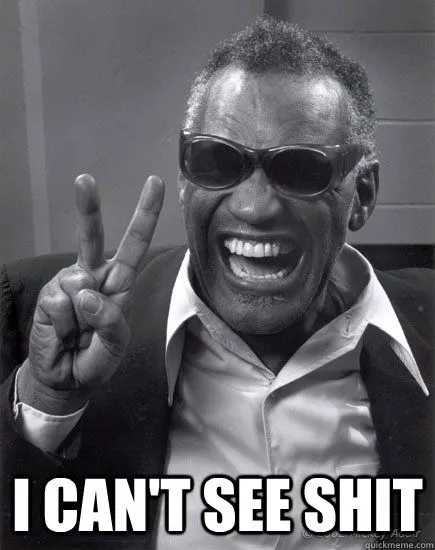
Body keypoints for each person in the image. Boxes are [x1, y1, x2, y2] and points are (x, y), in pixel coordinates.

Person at [0, 16, 433, 550]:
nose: (254, 208)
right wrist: (48, 402)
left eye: (301, 170)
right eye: (217, 160)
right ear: (186, 180)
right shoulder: (42, 327)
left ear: (361, 195)